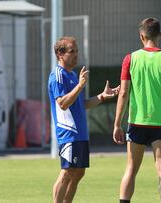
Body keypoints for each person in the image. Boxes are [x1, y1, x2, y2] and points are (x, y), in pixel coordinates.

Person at [113, 17, 161, 203]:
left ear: (141, 36)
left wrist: (117, 124)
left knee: (131, 169)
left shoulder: (130, 58)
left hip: (137, 121)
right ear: (160, 35)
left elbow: (123, 93)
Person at [48, 36, 120, 203]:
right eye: (72, 51)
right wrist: (80, 86)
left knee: (79, 172)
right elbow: (63, 104)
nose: (76, 55)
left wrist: (102, 96)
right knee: (67, 172)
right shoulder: (58, 75)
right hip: (68, 133)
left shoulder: (73, 74)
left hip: (81, 133)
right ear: (60, 54)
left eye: (77, 51)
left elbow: (81, 104)